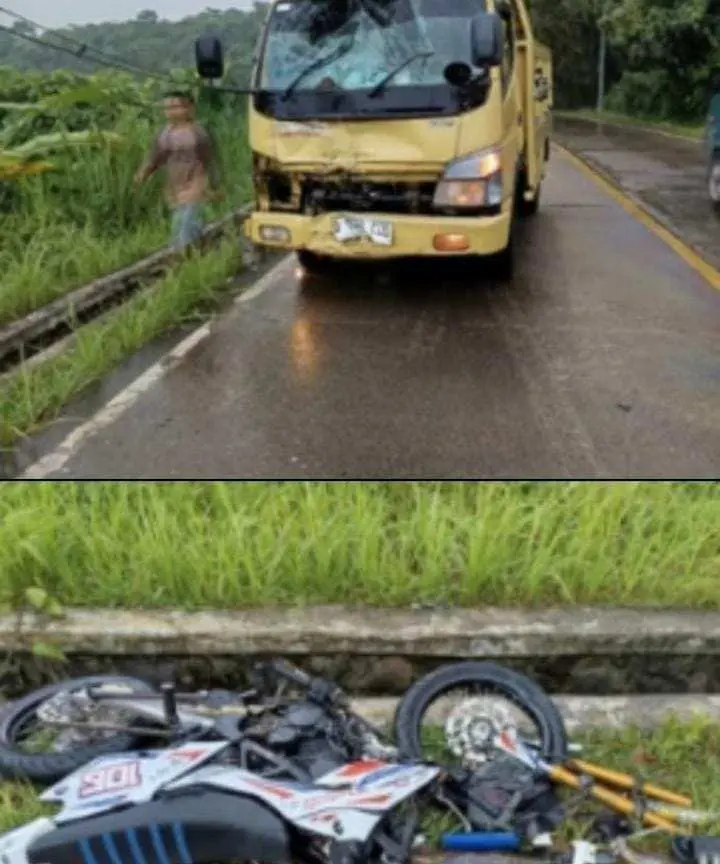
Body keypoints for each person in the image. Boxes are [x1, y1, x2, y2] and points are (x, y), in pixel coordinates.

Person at [134, 90, 222, 253]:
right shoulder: (163, 134)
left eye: (176, 107)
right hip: (175, 183)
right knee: (183, 219)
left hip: (197, 179)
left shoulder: (199, 132)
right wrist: (142, 174)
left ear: (189, 108)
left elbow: (211, 159)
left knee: (185, 220)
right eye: (167, 108)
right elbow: (154, 157)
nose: (171, 111)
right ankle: (200, 251)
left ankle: (181, 255)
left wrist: (216, 184)